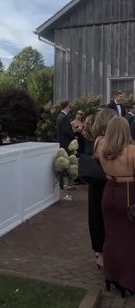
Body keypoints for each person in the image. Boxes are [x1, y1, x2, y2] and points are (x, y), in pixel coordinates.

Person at [99, 116, 135, 296]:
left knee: (111, 236)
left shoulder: (103, 150)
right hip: (127, 195)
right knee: (129, 239)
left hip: (109, 192)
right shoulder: (132, 151)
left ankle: (111, 275)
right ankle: (127, 280)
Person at [87, 108, 115, 269]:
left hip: (97, 184)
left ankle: (100, 252)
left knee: (96, 216)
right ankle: (101, 254)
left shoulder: (99, 139)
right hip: (102, 183)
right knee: (99, 217)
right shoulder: (103, 141)